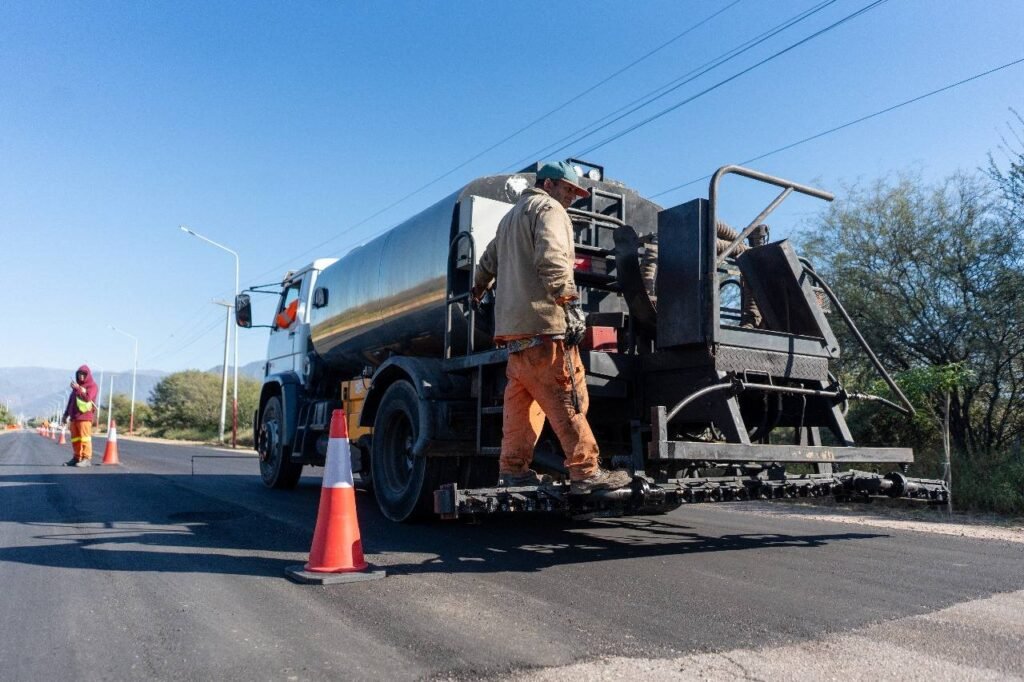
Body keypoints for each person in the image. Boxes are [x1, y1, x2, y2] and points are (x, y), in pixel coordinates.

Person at [472, 161, 632, 495]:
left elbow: (487, 262)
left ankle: (513, 471)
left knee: (523, 404)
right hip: (546, 328)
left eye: (576, 193)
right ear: (549, 184)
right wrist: (571, 305)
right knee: (568, 398)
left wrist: (477, 291)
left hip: (515, 335)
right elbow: (553, 259)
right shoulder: (549, 210)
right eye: (569, 190)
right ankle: (586, 472)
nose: (573, 198)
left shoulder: (509, 219)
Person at [62, 365, 99, 467]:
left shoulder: (92, 386)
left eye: (84, 374)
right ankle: (77, 457)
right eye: (79, 374)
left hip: (84, 418)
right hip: (74, 418)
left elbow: (87, 398)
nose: (81, 376)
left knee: (85, 438)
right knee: (75, 439)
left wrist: (78, 389)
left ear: (88, 375)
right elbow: (71, 402)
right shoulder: (77, 387)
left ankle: (86, 459)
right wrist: (65, 415)